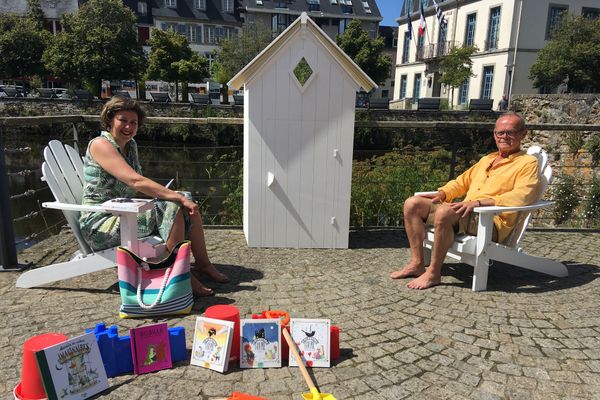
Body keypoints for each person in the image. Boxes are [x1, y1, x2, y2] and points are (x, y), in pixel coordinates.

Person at [79, 97, 228, 297]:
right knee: (174, 204)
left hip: (125, 213)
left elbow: (135, 185)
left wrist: (176, 197)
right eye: (123, 120)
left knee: (184, 198)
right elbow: (135, 181)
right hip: (101, 224)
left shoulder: (130, 146)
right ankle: (180, 273)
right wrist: (173, 198)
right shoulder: (100, 144)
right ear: (110, 120)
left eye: (134, 123)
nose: (129, 127)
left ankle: (203, 264)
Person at [390, 112, 540, 289]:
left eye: (510, 132)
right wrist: (444, 193)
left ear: (523, 134)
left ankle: (433, 273)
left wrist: (478, 203)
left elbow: (522, 196)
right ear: (494, 134)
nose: (504, 137)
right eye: (500, 132)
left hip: (491, 221)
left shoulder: (527, 163)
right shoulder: (488, 159)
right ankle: (417, 263)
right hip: (467, 213)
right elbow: (462, 182)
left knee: (444, 212)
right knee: (412, 204)